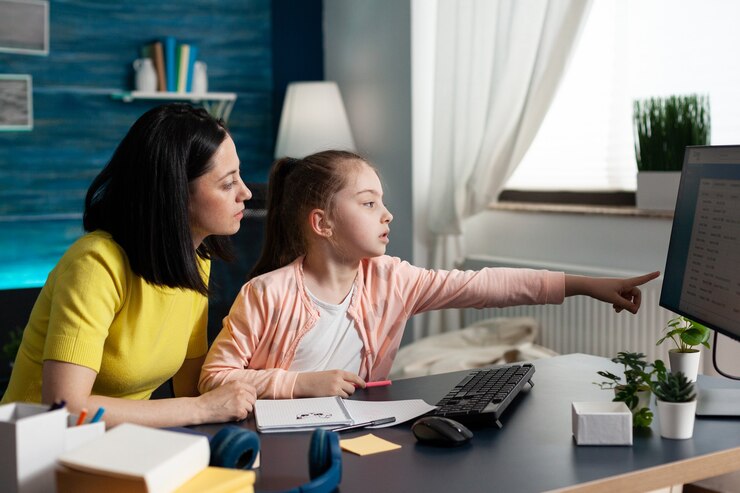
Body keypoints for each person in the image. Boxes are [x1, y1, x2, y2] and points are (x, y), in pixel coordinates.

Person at [198, 150, 660, 399]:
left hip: (362, 438)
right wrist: (298, 384)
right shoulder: (266, 294)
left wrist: (583, 285)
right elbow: (213, 378)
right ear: (323, 223)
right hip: (277, 447)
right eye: (368, 203)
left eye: (382, 201)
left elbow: (483, 287)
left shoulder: (393, 279)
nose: (388, 215)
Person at [2, 103, 257, 427]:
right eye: (227, 183)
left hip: (115, 447)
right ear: (176, 193)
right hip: (33, 455)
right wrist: (204, 409)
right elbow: (65, 408)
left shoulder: (194, 259)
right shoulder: (95, 266)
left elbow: (192, 387)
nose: (246, 192)